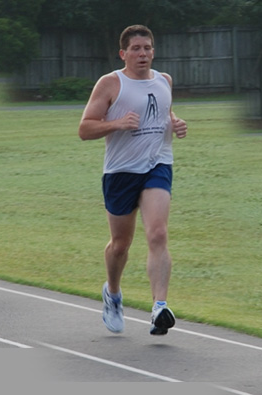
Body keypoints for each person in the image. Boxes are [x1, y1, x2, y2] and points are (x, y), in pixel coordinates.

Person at [78, 25, 188, 335]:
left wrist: (175, 123)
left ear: (154, 51)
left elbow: (163, 112)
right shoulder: (111, 83)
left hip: (157, 165)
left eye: (147, 48)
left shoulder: (164, 80)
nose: (142, 54)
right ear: (123, 53)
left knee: (157, 233)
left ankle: (159, 307)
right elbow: (85, 128)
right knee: (121, 244)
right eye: (136, 49)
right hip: (121, 172)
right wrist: (117, 123)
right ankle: (112, 293)